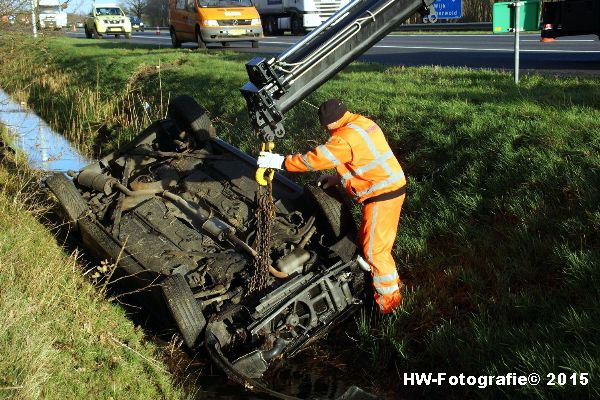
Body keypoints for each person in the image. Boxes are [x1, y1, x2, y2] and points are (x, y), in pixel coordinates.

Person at [257, 99, 406, 314]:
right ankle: (386, 291)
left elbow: (312, 160)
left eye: (326, 128)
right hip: (389, 187)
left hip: (382, 196)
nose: (326, 131)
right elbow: (362, 158)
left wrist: (279, 162)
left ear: (330, 123)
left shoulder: (344, 137)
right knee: (373, 246)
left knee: (375, 252)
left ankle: (389, 305)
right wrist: (337, 179)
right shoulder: (361, 123)